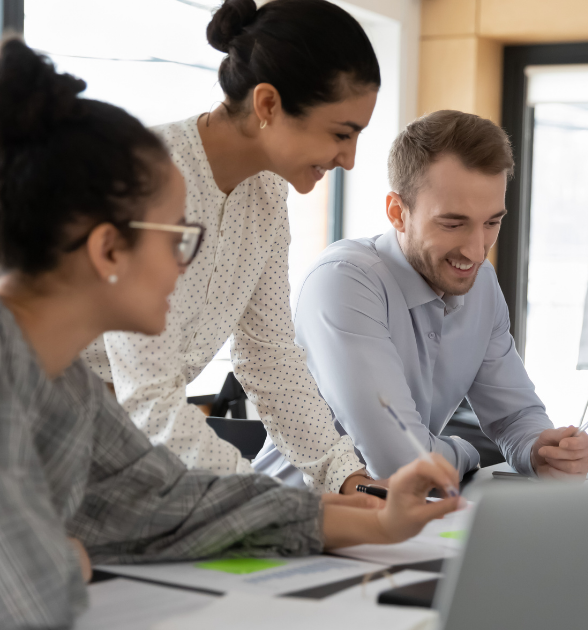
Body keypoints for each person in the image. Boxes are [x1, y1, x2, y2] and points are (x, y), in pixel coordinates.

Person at [0, 39, 460, 629]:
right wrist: (62, 556)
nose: (189, 264)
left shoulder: (68, 391)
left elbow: (181, 504)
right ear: (109, 247)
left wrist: (376, 520)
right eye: (180, 237)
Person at [80, 0, 378, 494]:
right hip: (40, 441)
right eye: (340, 133)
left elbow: (269, 356)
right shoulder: (148, 173)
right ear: (267, 105)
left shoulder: (267, 194)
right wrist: (275, 501)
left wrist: (345, 477)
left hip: (128, 453)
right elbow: (146, 398)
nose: (348, 158)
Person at [256, 110, 588, 481]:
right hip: (295, 520)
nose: (477, 251)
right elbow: (403, 461)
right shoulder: (344, 282)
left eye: (491, 223)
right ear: (397, 212)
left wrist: (540, 449)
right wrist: (466, 452)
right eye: (453, 224)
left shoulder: (481, 284)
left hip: (401, 521)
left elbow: (513, 415)